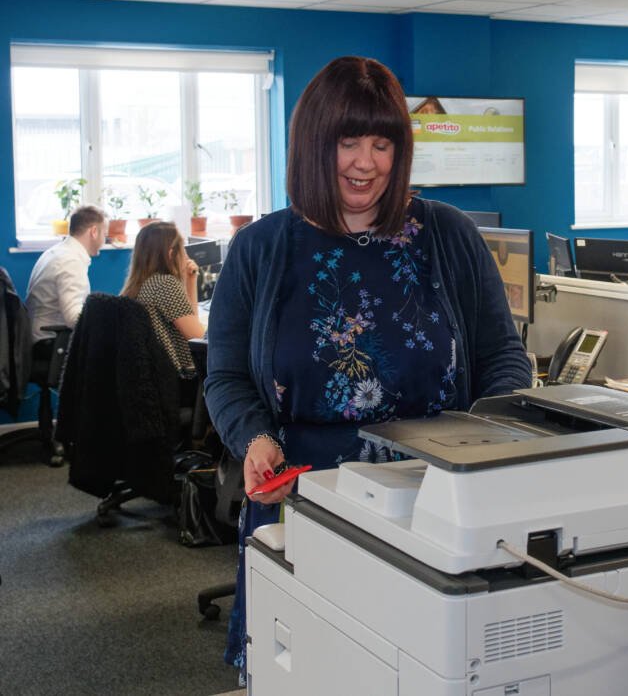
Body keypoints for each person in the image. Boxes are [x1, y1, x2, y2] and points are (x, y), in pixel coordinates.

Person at [204, 56, 532, 678]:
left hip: (436, 498)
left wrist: (490, 444)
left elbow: (503, 358)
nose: (366, 162)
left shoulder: (448, 234)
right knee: (309, 670)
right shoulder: (261, 248)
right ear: (312, 145)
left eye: (383, 143)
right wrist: (255, 437)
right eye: (347, 142)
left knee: (420, 670)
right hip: (305, 497)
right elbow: (225, 375)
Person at [25, 205, 107, 374]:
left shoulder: (57, 252)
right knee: (114, 350)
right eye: (104, 234)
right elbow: (73, 318)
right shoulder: (70, 261)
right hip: (51, 341)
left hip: (37, 336)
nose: (104, 240)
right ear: (94, 231)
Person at [119, 221, 204, 378]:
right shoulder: (164, 285)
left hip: (154, 380)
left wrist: (190, 281)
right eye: (183, 248)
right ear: (171, 253)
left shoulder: (138, 285)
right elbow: (199, 337)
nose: (186, 255)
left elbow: (192, 326)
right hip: (183, 380)